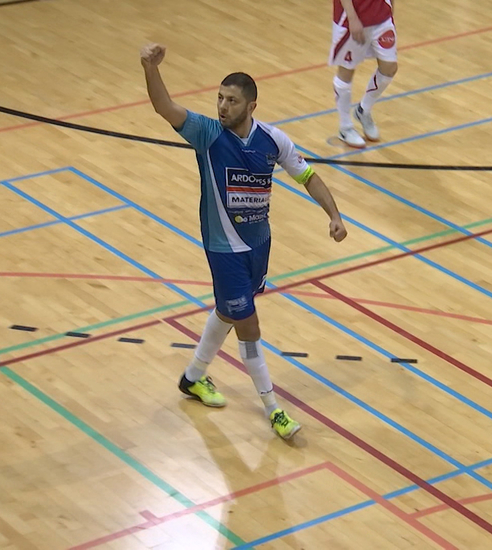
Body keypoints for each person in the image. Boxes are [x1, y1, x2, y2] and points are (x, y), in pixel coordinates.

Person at [140, 43, 348, 440]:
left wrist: (334, 215)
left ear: (251, 105)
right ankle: (273, 409)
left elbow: (308, 178)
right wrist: (150, 69)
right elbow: (164, 107)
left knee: (229, 311)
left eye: (231, 100)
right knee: (247, 322)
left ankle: (193, 377)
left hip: (259, 245)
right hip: (224, 248)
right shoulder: (207, 133)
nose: (221, 106)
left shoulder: (273, 140)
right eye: (219, 98)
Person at [329, 0, 398, 148]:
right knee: (346, 71)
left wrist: (392, 8)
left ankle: (363, 110)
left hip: (382, 17)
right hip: (352, 19)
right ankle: (345, 127)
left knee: (389, 67)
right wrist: (352, 18)